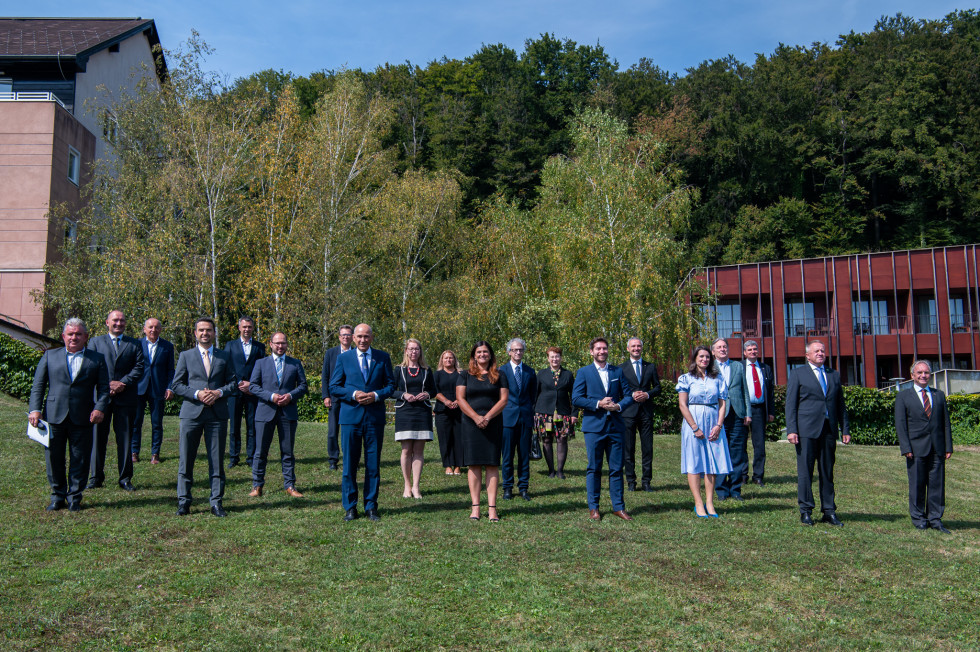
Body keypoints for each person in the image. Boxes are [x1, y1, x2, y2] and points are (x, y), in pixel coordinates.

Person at [28, 318, 110, 512]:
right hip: (53, 416)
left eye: (78, 334)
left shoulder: (96, 359)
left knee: (79, 458)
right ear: (63, 336)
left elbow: (104, 389)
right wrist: (35, 409)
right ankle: (57, 496)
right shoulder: (50, 356)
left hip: (83, 417)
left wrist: (99, 408)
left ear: (86, 337)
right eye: (70, 334)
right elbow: (38, 386)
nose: (74, 337)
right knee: (54, 458)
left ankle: (74, 497)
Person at [171, 317, 239, 517]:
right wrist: (197, 393)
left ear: (214, 333)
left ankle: (216, 502)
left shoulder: (224, 356)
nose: (205, 333)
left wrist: (218, 393)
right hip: (191, 413)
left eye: (208, 330)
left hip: (217, 415)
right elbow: (176, 384)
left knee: (216, 460)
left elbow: (233, 383)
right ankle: (184, 502)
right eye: (201, 330)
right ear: (195, 333)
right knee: (186, 459)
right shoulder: (186, 355)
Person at [329, 323, 395, 522]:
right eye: (359, 336)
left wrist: (375, 395)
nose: (363, 340)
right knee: (349, 464)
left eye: (366, 336)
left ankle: (371, 506)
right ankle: (350, 507)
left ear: (372, 338)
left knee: (373, 465)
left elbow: (391, 385)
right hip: (350, 419)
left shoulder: (382, 357)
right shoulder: (344, 358)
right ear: (353, 338)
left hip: (374, 418)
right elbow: (334, 386)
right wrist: (353, 393)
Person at [786, 340, 850, 527]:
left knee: (827, 472)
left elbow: (840, 405)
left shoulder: (834, 375)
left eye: (823, 351)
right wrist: (792, 430)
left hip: (828, 431)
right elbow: (791, 405)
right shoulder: (798, 374)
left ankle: (829, 511)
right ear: (807, 355)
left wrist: (844, 429)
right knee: (806, 472)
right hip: (806, 431)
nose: (820, 353)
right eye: (816, 351)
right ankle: (806, 511)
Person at [571, 337, 635, 522]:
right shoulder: (584, 372)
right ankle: (594, 508)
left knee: (616, 468)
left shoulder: (618, 371)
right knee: (594, 468)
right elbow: (576, 398)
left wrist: (619, 406)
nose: (602, 351)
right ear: (591, 351)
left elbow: (628, 396)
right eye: (598, 349)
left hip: (615, 426)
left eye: (604, 348)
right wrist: (598, 403)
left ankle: (619, 507)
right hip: (594, 427)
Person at [87, 309, 144, 492]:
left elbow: (139, 367)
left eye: (122, 320)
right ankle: (96, 477)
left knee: (125, 439)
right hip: (101, 400)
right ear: (107, 322)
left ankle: (125, 478)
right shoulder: (95, 343)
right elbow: (89, 366)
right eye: (115, 320)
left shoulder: (134, 344)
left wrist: (122, 383)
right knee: (97, 438)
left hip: (125, 399)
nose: (119, 323)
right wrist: (107, 385)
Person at [894, 360, 953, 533]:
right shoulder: (903, 396)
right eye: (919, 373)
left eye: (926, 373)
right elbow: (900, 424)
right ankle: (919, 518)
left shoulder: (939, 395)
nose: (923, 376)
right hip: (915, 448)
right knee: (917, 484)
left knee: (937, 485)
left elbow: (946, 424)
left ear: (930, 375)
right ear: (912, 375)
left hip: (937, 448)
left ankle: (935, 518)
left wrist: (948, 446)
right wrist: (906, 448)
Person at [248, 332, 308, 498]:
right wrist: (271, 396)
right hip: (265, 412)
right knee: (260, 451)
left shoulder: (295, 364)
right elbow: (253, 386)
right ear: (271, 344)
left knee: (287, 451)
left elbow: (303, 386)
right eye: (277, 343)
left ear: (287, 344)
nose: (280, 346)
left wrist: (290, 396)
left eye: (283, 343)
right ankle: (257, 485)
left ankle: (290, 485)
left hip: (287, 413)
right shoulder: (260, 363)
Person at [676, 345, 732, 518]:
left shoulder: (718, 379)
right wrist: (694, 427)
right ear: (695, 358)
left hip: (713, 421)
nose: (704, 360)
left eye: (707, 357)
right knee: (694, 461)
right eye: (701, 356)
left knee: (712, 462)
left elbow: (722, 403)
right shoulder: (686, 378)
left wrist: (719, 425)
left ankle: (709, 502)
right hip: (694, 422)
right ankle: (698, 503)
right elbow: (682, 404)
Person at [456, 341, 509, 522]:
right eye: (479, 352)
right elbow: (460, 399)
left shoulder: (500, 375)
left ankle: (492, 508)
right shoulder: (465, 375)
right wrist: (476, 418)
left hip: (493, 423)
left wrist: (487, 417)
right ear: (474, 355)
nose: (482, 355)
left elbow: (503, 400)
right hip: (471, 425)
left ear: (491, 355)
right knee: (474, 465)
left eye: (485, 352)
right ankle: (475, 507)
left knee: (492, 465)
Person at [393, 338, 436, 499]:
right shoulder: (399, 369)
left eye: (416, 349)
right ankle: (407, 485)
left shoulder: (426, 370)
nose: (413, 352)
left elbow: (434, 390)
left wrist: (428, 394)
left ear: (420, 351)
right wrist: (403, 394)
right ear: (406, 351)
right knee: (406, 450)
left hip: (422, 412)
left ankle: (416, 486)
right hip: (404, 412)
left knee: (418, 451)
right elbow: (391, 389)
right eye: (410, 349)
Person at [621, 337, 662, 492]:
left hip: (645, 412)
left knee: (647, 448)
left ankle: (646, 482)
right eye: (633, 346)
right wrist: (631, 395)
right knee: (628, 449)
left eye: (639, 346)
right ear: (628, 349)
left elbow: (658, 388)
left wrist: (647, 394)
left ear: (642, 348)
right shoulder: (621, 368)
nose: (636, 348)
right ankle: (631, 481)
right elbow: (619, 390)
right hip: (628, 413)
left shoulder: (650, 366)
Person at [132, 318, 174, 465]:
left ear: (160, 330)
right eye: (150, 327)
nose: (153, 330)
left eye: (156, 327)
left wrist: (170, 387)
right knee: (136, 422)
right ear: (144, 329)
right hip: (138, 389)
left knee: (157, 423)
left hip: (158, 388)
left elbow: (170, 370)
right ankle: (134, 452)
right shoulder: (136, 344)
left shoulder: (167, 346)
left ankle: (155, 453)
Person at [225, 316, 266, 469]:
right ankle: (234, 457)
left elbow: (263, 368)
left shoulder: (259, 347)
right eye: (244, 327)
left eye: (249, 327)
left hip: (252, 392)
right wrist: (237, 383)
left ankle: (251, 457)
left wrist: (252, 385)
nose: (247, 329)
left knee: (252, 426)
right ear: (239, 328)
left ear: (253, 328)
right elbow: (226, 367)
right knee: (234, 426)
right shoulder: (230, 345)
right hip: (234, 392)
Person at [711, 338, 749, 502]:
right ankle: (721, 490)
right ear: (713, 351)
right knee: (719, 451)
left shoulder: (738, 366)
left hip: (737, 413)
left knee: (737, 452)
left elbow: (745, 390)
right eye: (719, 347)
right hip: (717, 415)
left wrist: (748, 413)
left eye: (725, 346)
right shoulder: (709, 367)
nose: (722, 349)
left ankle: (735, 489)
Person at [499, 338, 537, 501]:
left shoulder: (530, 372)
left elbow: (533, 395)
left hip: (525, 418)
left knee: (523, 456)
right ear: (509, 352)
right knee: (507, 456)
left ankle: (523, 488)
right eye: (515, 350)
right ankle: (507, 488)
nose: (518, 352)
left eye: (521, 349)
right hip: (507, 418)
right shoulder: (501, 370)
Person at [533, 346, 576, 479]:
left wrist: (574, 414)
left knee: (562, 439)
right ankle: (551, 470)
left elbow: (574, 395)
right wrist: (533, 413)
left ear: (561, 358)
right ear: (548, 359)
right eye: (552, 356)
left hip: (563, 413)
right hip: (544, 413)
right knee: (546, 439)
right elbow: (535, 394)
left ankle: (560, 470)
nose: (555, 359)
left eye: (557, 356)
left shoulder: (568, 374)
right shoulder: (541, 374)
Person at [321, 324, 354, 470]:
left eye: (348, 334)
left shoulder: (357, 353)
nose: (346, 337)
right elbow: (325, 376)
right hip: (334, 397)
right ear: (339, 337)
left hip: (351, 397)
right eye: (343, 335)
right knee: (333, 431)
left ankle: (351, 458)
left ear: (352, 337)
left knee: (351, 430)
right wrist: (325, 396)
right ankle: (333, 459)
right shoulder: (331, 353)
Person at [742, 340, 775, 486]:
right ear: (744, 353)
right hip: (742, 410)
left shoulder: (765, 368)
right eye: (749, 350)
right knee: (741, 444)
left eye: (755, 349)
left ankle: (758, 476)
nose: (752, 352)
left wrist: (771, 411)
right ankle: (742, 476)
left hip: (760, 409)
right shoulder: (739, 367)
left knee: (759, 445)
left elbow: (771, 392)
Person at [433, 350, 463, 475]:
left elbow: (465, 389)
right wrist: (446, 401)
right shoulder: (437, 374)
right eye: (445, 358)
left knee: (459, 438)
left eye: (451, 358)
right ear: (442, 360)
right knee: (445, 438)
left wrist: (457, 400)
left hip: (459, 410)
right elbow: (434, 390)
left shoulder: (461, 374)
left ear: (454, 360)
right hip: (442, 410)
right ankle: (448, 465)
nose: (448, 360)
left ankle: (458, 466)